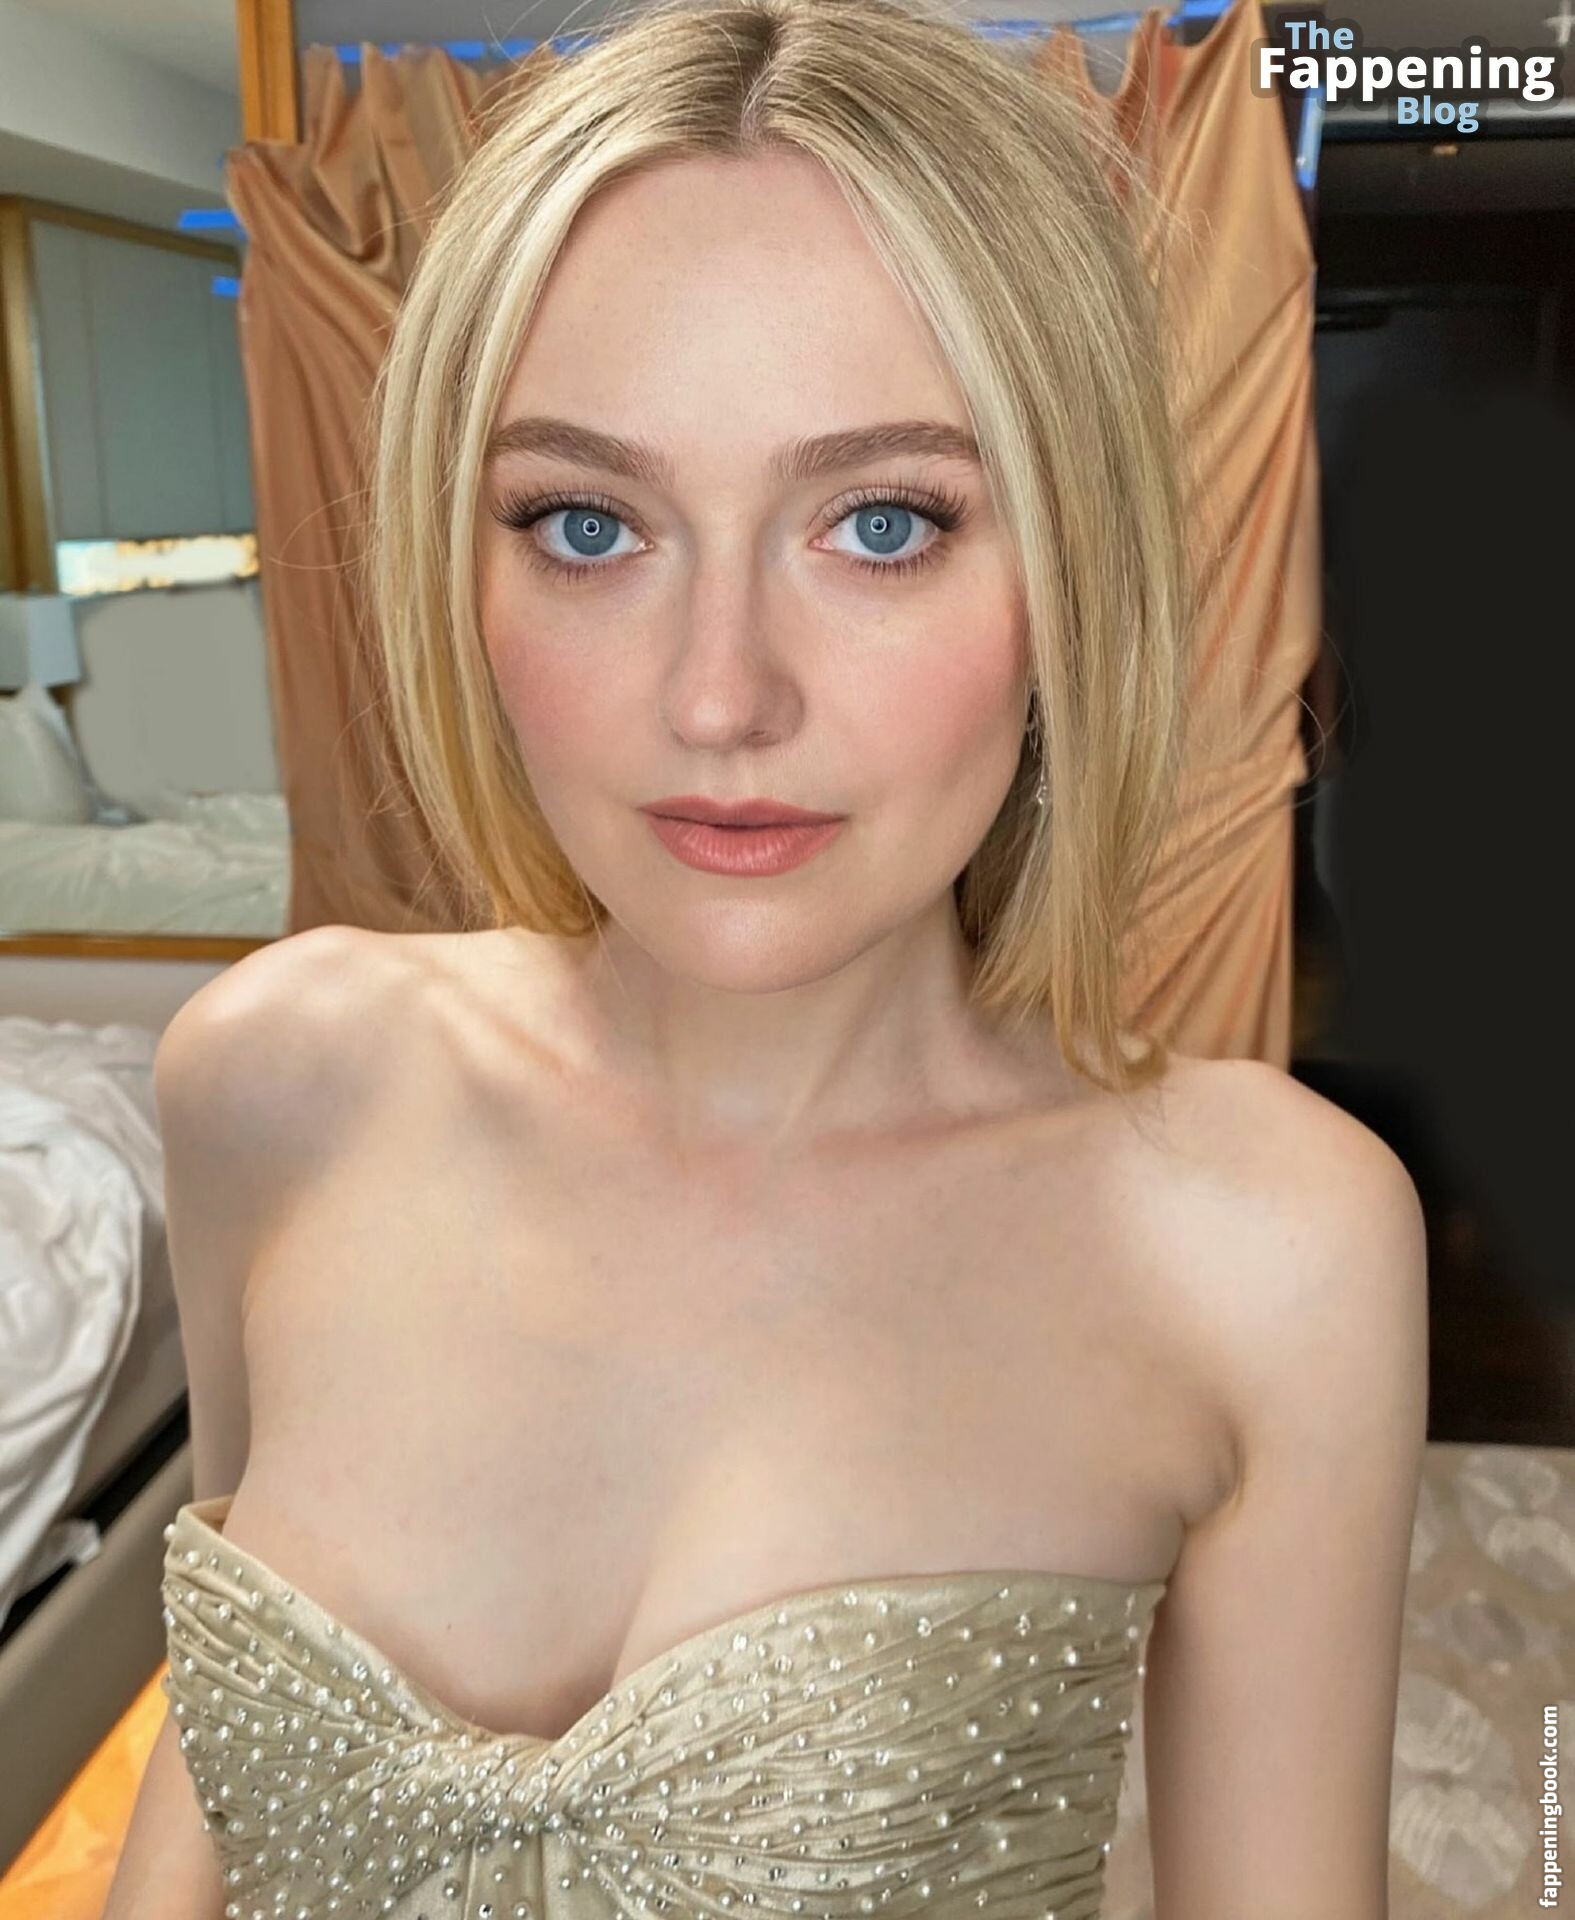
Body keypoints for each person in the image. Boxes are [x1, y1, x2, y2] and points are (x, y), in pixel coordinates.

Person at [104, 1, 1428, 1914]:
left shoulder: (1265, 1246)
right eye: (588, 523)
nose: (720, 697)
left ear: (1072, 568)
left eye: (882, 524)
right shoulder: (275, 1076)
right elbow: (215, 1744)